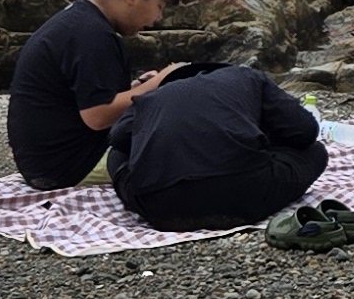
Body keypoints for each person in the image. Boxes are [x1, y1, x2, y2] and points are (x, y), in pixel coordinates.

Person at [4, 0, 184, 189]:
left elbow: (84, 97)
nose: (156, 19)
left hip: (45, 163)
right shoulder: (93, 35)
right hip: (69, 168)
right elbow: (98, 116)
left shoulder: (79, 20)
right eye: (159, 7)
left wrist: (137, 87)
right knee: (179, 148)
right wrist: (160, 81)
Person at [105, 55, 330, 232]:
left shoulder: (151, 96)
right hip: (244, 196)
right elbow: (305, 131)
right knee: (315, 151)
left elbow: (118, 139)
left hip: (160, 208)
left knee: (116, 155)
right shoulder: (247, 77)